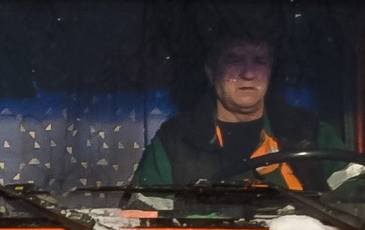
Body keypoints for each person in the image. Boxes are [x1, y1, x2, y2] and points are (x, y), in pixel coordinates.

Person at [132, 28, 346, 192]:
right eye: (234, 60)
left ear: (270, 71)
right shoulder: (174, 140)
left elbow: (358, 193)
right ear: (211, 71)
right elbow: (144, 216)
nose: (248, 74)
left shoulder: (311, 132)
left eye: (260, 61)